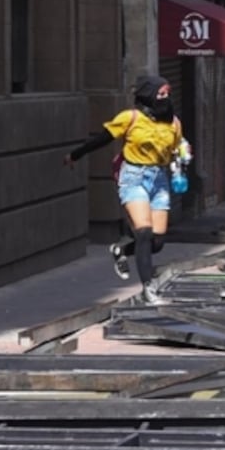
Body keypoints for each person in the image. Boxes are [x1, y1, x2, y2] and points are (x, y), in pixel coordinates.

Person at [64, 75, 183, 303]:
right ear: (148, 95)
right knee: (144, 232)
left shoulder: (174, 123)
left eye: (168, 94)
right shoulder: (131, 118)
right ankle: (148, 289)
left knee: (157, 242)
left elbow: (177, 147)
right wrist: (75, 155)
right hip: (134, 178)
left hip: (159, 179)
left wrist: (181, 159)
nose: (165, 98)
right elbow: (102, 139)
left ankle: (121, 251)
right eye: (161, 94)